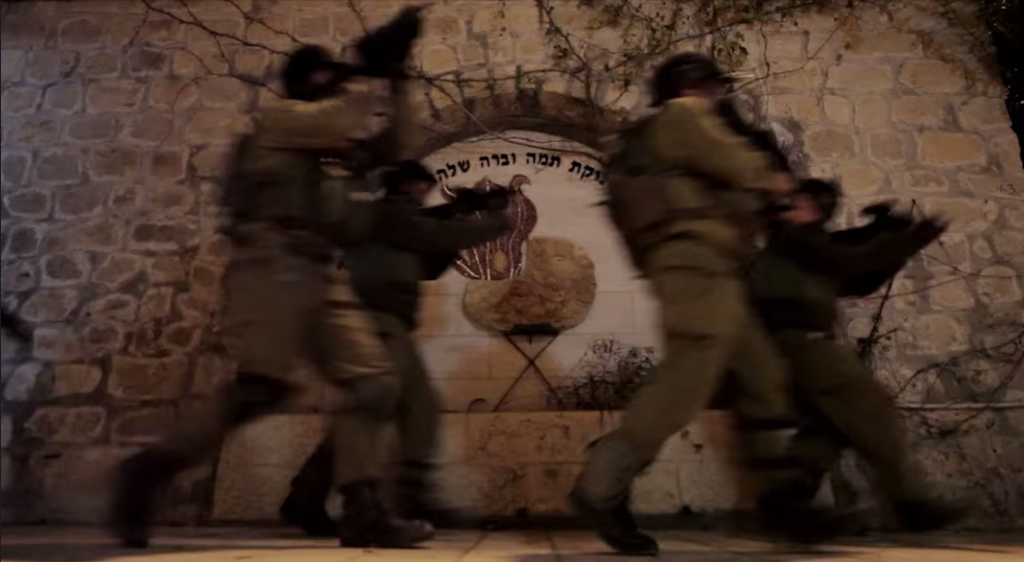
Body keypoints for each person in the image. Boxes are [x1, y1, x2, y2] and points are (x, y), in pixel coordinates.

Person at [109, 23, 433, 549]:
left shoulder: (331, 139)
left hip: (319, 271)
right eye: (324, 76)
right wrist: (364, 68)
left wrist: (396, 76)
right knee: (262, 389)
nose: (332, 83)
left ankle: (364, 510)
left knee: (374, 383)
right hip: (269, 263)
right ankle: (146, 472)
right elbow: (344, 114)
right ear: (301, 82)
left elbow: (401, 143)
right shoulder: (279, 119)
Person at [572, 52, 843, 557]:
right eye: (717, 88)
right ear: (698, 86)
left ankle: (784, 499)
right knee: (686, 381)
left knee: (763, 378)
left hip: (713, 270)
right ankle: (600, 483)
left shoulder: (663, 140)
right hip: (695, 267)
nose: (722, 98)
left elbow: (731, 195)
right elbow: (743, 166)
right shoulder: (683, 115)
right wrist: (781, 183)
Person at [281, 160, 513, 533]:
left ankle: (311, 498)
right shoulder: (388, 215)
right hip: (376, 322)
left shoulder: (396, 221)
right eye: (422, 187)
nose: (426, 194)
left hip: (388, 324)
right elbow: (432, 237)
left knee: (399, 410)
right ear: (406, 187)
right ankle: (392, 500)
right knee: (391, 410)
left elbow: (429, 263)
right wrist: (495, 219)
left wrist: (460, 212)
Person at [744, 180, 964, 532]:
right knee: (874, 410)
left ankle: (788, 499)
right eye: (808, 201)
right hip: (804, 345)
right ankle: (910, 503)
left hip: (785, 348)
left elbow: (858, 277)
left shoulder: (794, 242)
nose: (812, 209)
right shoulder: (796, 238)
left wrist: (883, 232)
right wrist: (909, 238)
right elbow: (849, 262)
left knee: (829, 424)